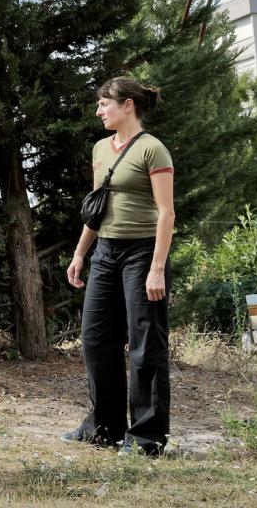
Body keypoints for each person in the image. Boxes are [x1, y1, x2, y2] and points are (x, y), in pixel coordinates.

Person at [64, 77, 175, 456]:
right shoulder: (100, 148)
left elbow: (166, 213)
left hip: (142, 253)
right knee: (96, 339)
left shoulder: (152, 149)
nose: (98, 111)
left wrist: (157, 268)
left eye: (104, 103)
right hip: (105, 252)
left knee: (146, 344)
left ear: (128, 105)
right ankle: (104, 427)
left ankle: (146, 437)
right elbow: (98, 208)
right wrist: (80, 253)